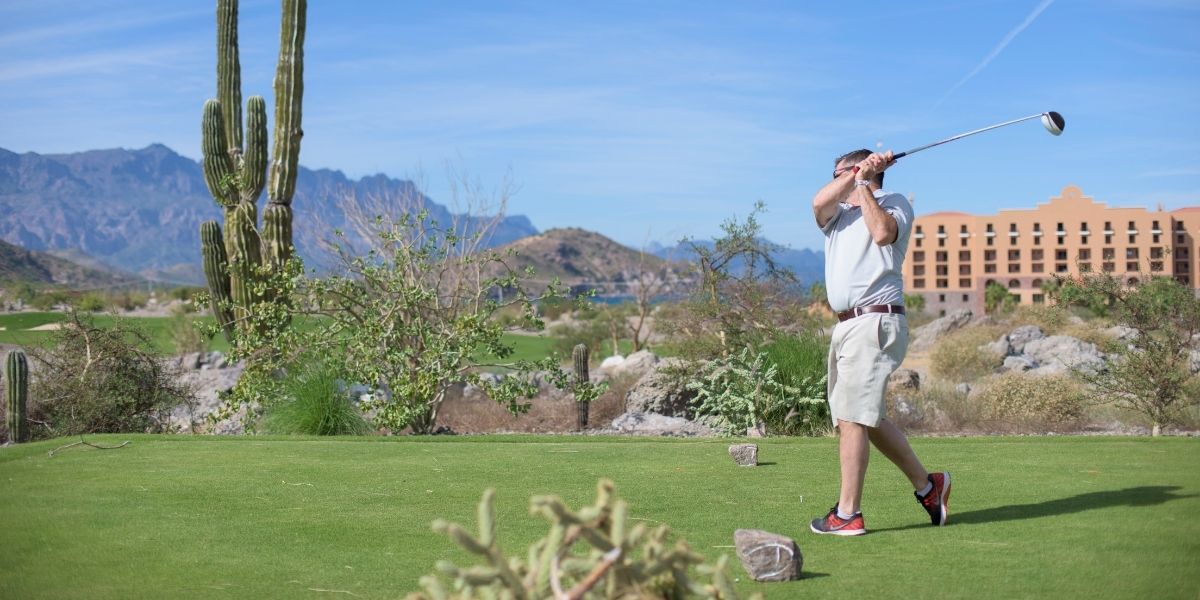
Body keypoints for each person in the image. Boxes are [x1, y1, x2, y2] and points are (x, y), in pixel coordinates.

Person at [808, 149, 950, 536]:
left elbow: (883, 233)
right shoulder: (835, 214)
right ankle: (929, 486)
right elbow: (818, 201)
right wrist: (855, 175)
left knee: (853, 418)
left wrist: (862, 182)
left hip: (876, 319)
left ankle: (848, 514)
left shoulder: (893, 203)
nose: (837, 182)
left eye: (840, 174)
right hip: (846, 326)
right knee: (862, 418)